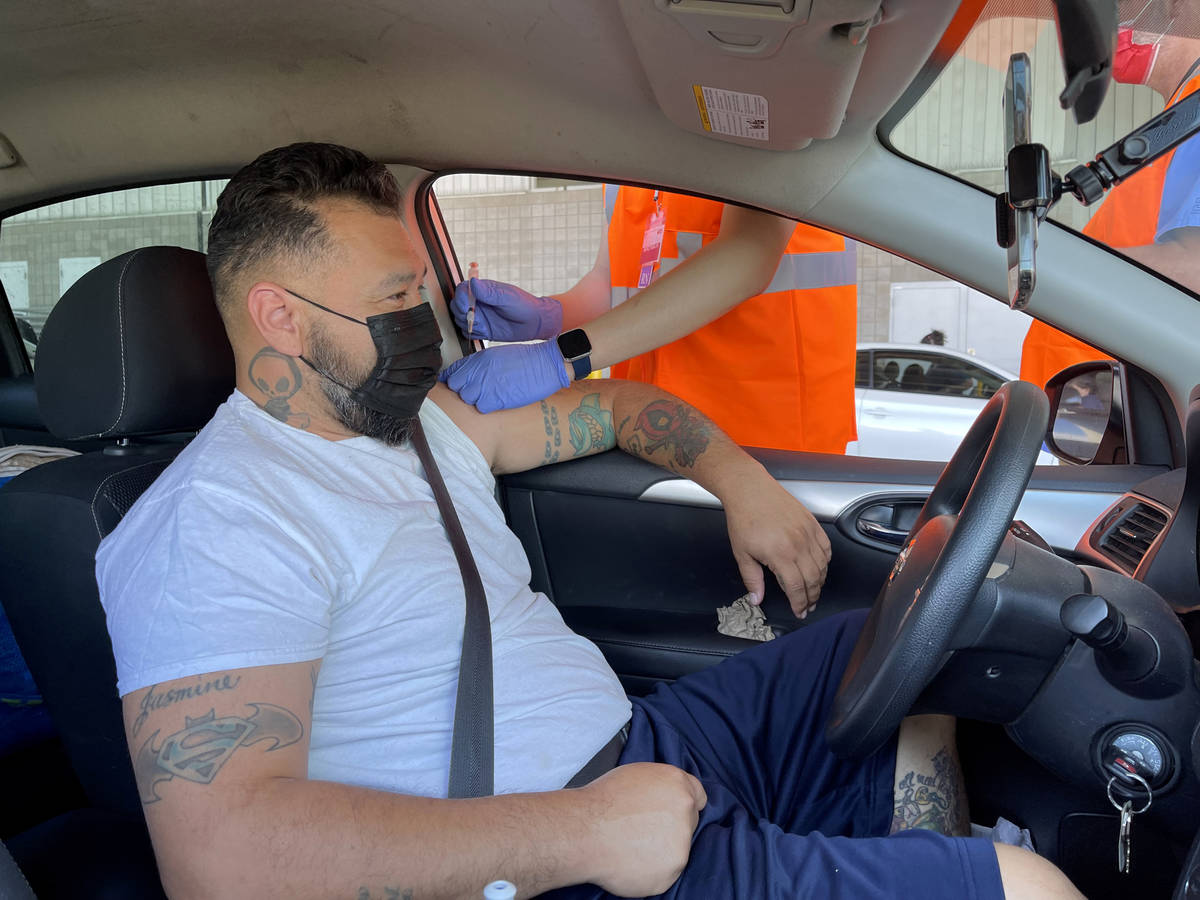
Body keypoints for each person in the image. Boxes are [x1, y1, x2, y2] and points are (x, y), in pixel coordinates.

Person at [96, 143, 1079, 900]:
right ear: (279, 317)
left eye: (420, 292)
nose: (423, 324)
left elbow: (614, 412)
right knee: (1026, 888)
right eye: (395, 299)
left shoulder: (423, 420)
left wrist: (743, 483)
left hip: (640, 749)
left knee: (899, 647)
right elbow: (222, 862)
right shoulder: (216, 524)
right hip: (547, 858)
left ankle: (920, 854)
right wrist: (586, 835)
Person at [440, 186, 858, 454]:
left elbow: (747, 257)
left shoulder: (756, 112)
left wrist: (563, 358)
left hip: (764, 446)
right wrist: (548, 316)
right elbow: (610, 286)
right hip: (648, 432)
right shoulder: (635, 168)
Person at [1020, 0, 1200, 387]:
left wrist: (1041, 273)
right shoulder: (1183, 115)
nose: (1110, 21)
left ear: (1178, 6)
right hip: (1106, 409)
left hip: (1118, 412)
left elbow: (1195, 270)